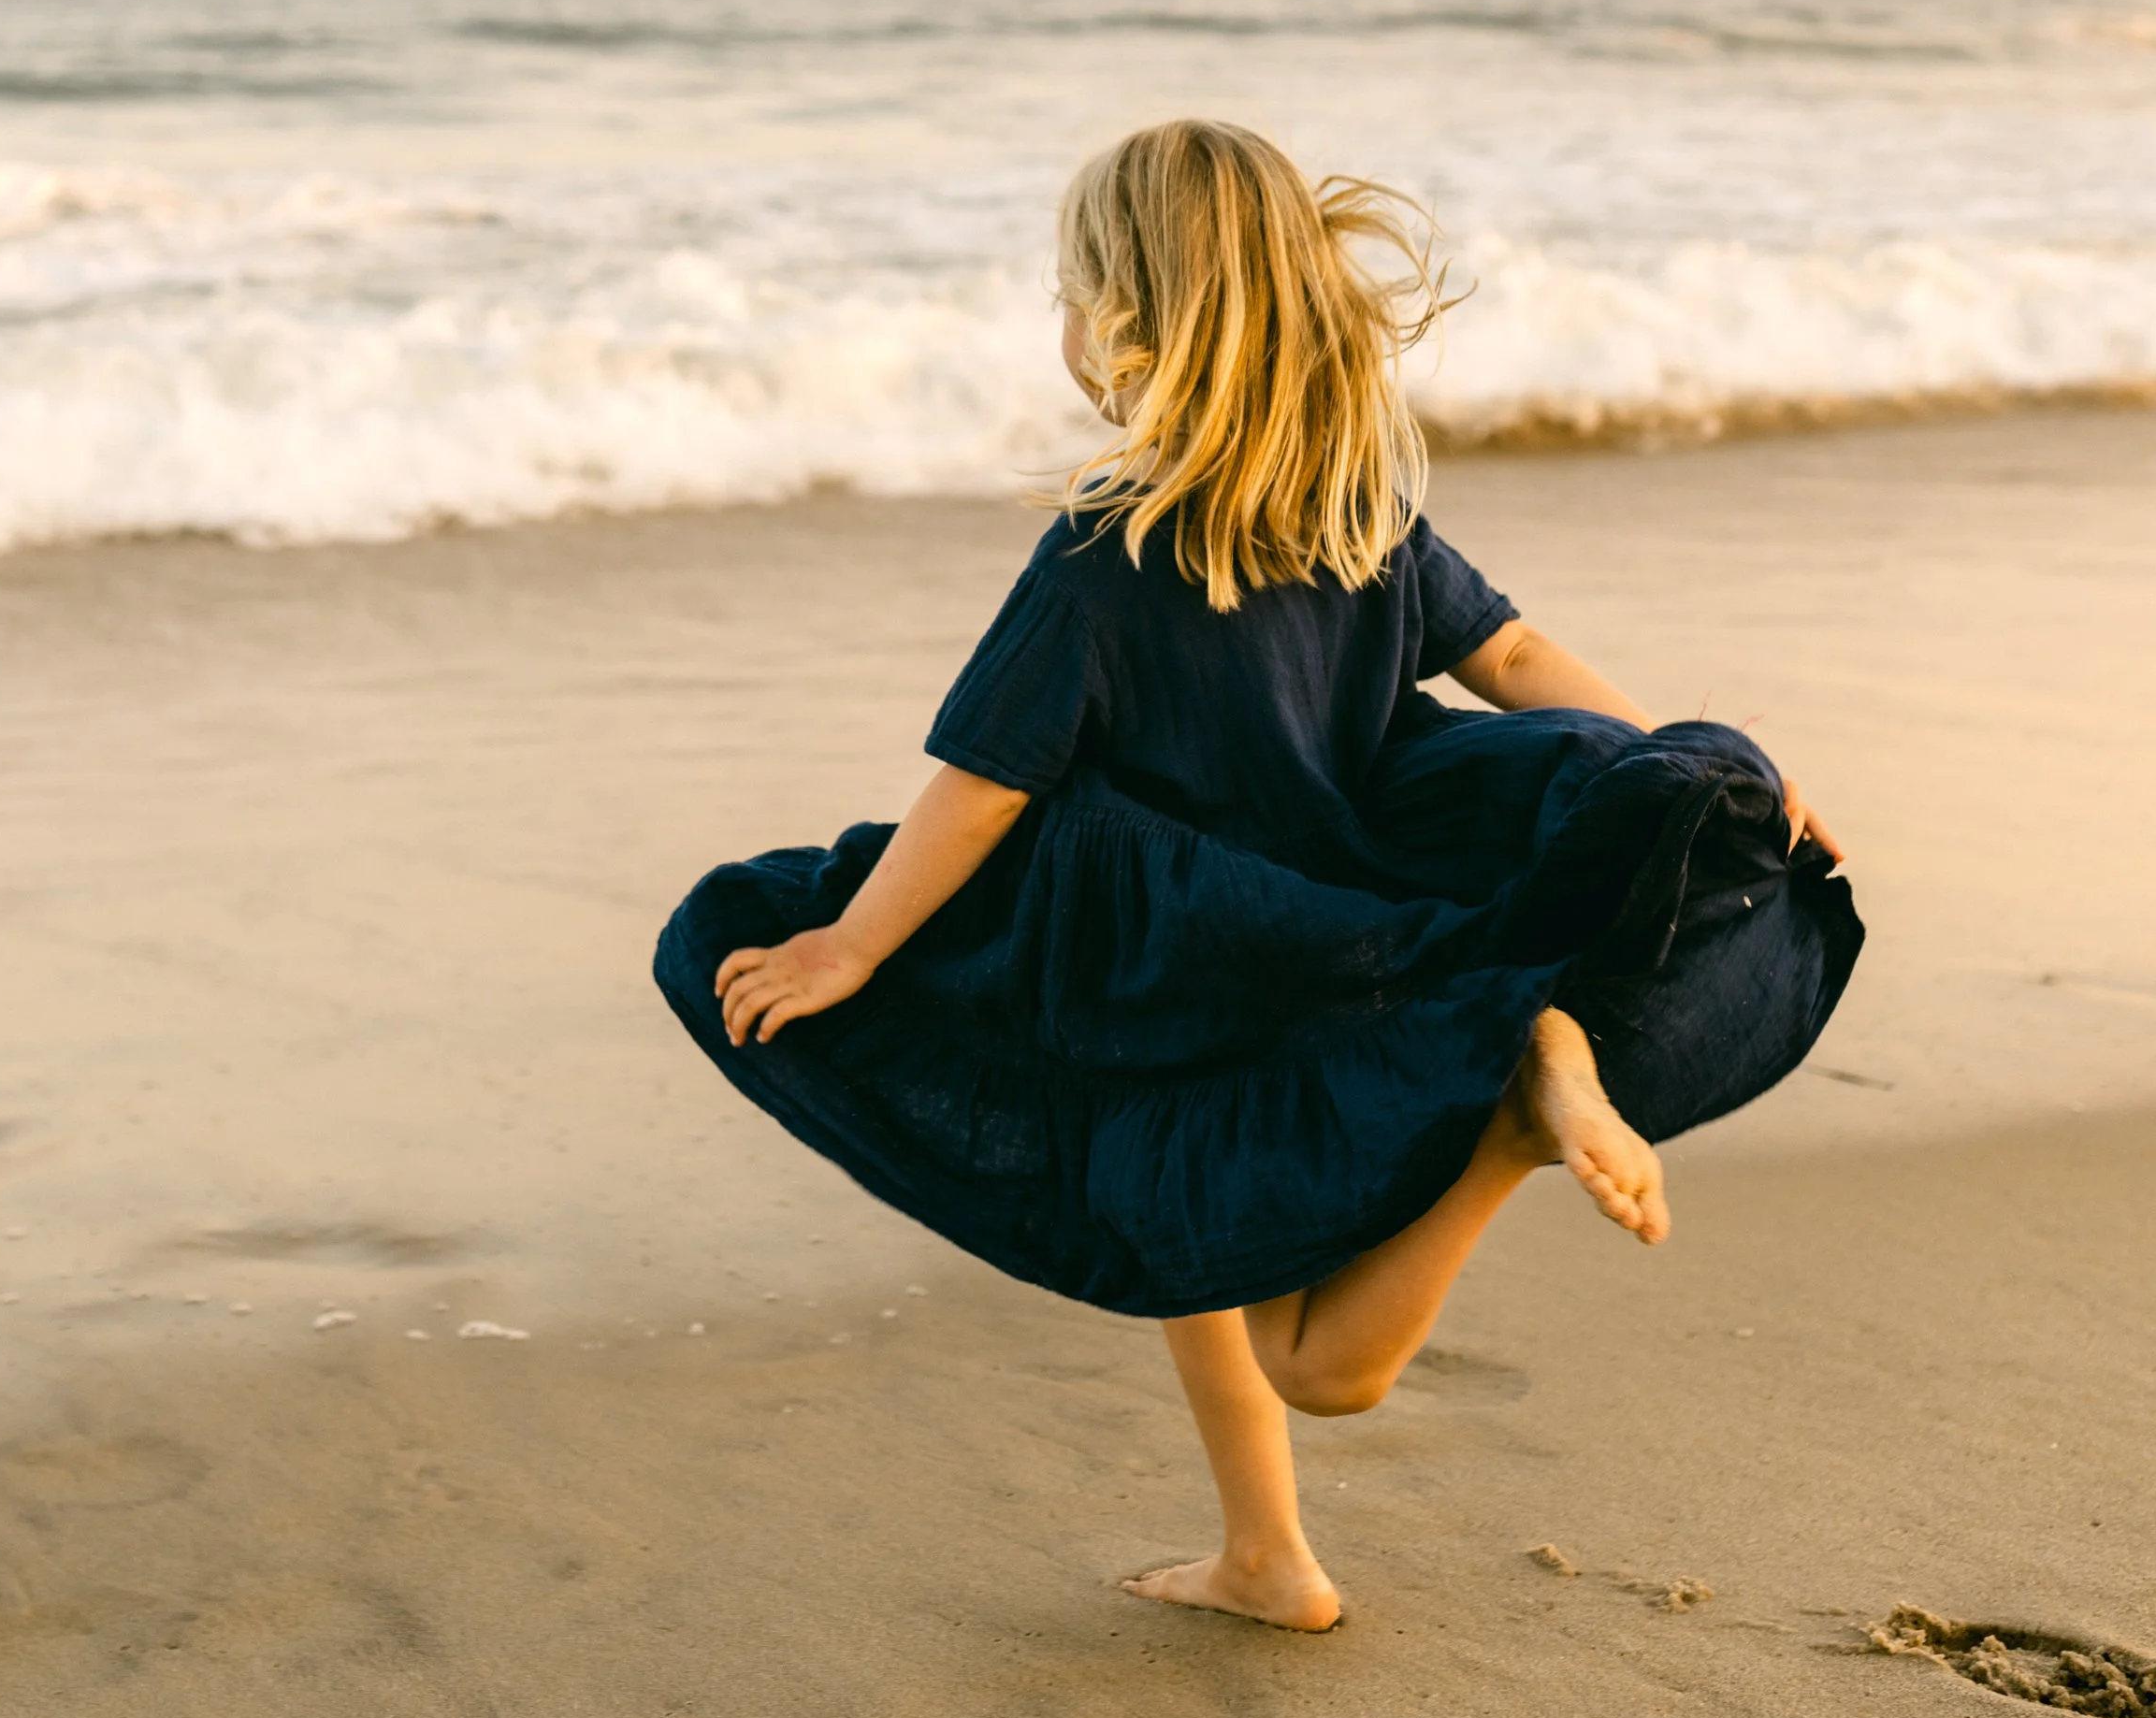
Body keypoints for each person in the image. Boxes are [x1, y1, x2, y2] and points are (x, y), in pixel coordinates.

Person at [656, 121, 1862, 1631]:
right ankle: (1268, 1544)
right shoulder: (1359, 505)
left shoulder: (1104, 550)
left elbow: (982, 786)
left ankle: (1502, 1124)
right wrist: (1682, 768)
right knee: (1214, 1259)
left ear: (1134, 333)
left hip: (1184, 963)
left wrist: (851, 943)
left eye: (1069, 291)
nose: (1061, 321)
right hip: (1370, 930)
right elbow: (1517, 658)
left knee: (1246, 1294)